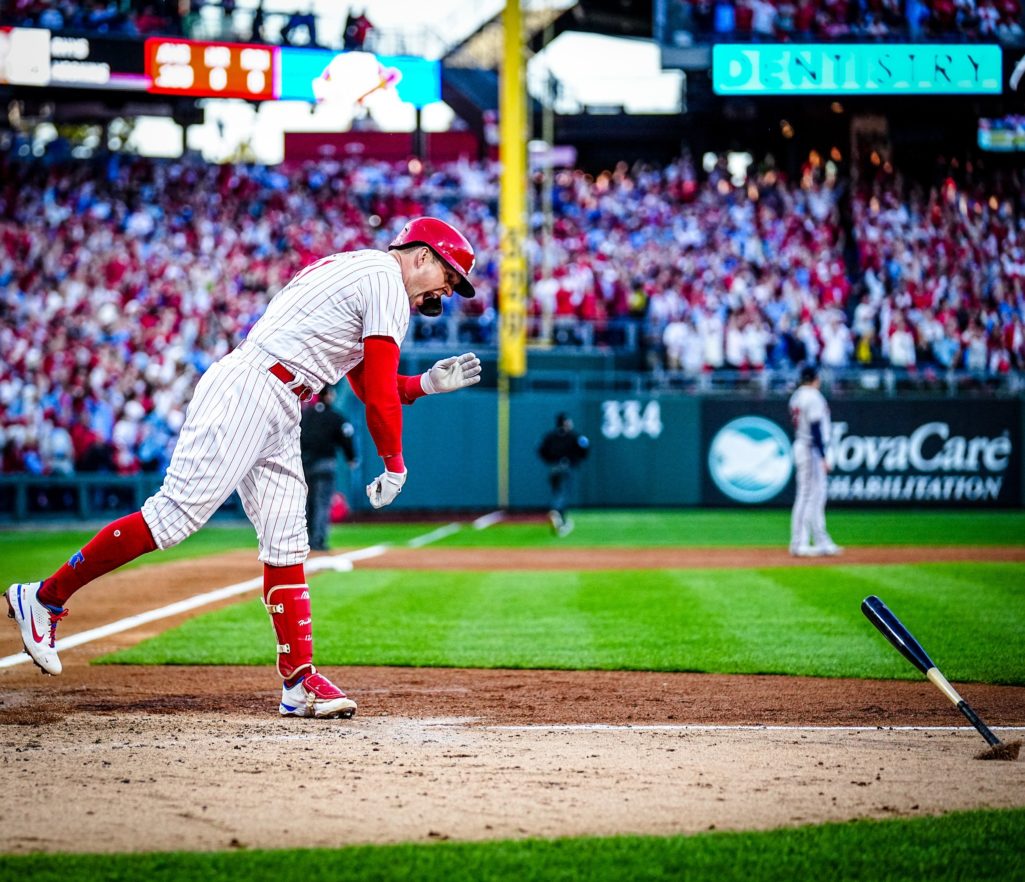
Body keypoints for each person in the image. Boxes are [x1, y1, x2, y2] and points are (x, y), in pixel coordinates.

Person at [6, 216, 482, 720]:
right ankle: (45, 598)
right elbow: (380, 393)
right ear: (423, 255)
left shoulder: (367, 272)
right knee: (174, 516)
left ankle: (298, 681)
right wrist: (394, 463)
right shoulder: (386, 280)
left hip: (281, 396)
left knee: (286, 540)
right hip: (254, 388)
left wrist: (426, 384)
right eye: (448, 278)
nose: (445, 293)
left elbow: (367, 383)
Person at [788, 363, 841, 557]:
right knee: (807, 495)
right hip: (810, 447)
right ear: (815, 379)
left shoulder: (797, 395)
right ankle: (799, 542)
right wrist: (823, 455)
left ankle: (821, 540)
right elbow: (816, 427)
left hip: (806, 446)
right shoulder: (812, 396)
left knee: (817, 495)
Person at [301, 385, 357, 552]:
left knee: (308, 504)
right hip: (325, 464)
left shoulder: (306, 415)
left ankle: (305, 540)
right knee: (322, 503)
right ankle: (318, 540)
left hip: (305, 465)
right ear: (328, 396)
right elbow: (346, 437)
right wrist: (351, 458)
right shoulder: (334, 416)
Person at [537, 413, 589, 537]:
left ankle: (561, 522)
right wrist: (575, 460)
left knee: (557, 493)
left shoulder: (550, 436)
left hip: (553, 467)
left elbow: (540, 449)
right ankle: (556, 512)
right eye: (568, 421)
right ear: (565, 422)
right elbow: (585, 447)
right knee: (563, 494)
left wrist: (550, 460)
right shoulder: (573, 436)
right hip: (566, 467)